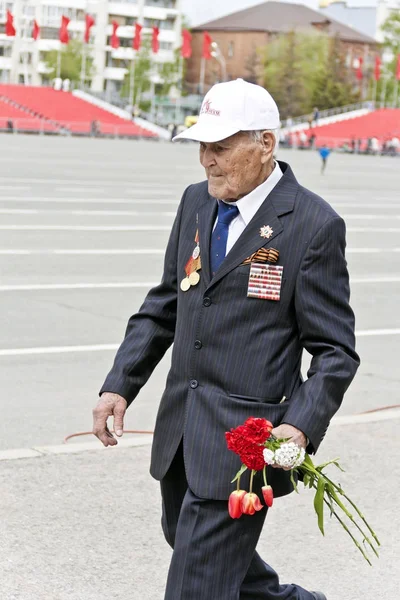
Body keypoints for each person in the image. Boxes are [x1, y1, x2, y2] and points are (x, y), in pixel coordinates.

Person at [93, 78, 359, 600]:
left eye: (220, 146)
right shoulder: (197, 203)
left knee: (196, 583)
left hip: (245, 447)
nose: (206, 161)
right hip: (181, 432)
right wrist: (119, 384)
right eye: (201, 146)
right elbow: (165, 303)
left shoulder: (312, 224)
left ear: (265, 143)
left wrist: (299, 428)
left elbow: (336, 351)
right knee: (189, 542)